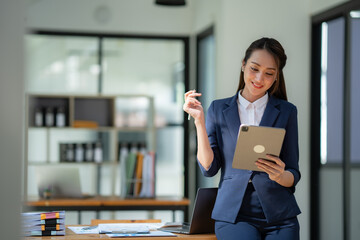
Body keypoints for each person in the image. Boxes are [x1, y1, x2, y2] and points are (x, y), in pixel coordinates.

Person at [183, 37, 301, 240]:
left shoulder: (287, 111)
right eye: (254, 68)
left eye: (269, 73)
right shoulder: (219, 109)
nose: (259, 78)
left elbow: (293, 172)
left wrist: (280, 175)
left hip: (280, 215)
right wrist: (199, 122)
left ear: (276, 77)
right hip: (234, 214)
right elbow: (209, 169)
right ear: (243, 65)